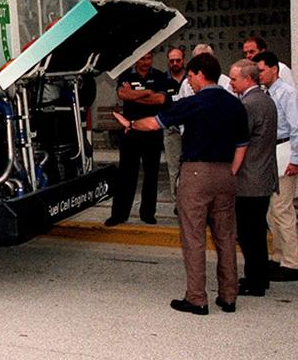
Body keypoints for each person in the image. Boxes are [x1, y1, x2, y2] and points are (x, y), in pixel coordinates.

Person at [116, 53, 249, 315]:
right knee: (225, 237)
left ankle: (197, 298)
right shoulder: (235, 104)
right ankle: (228, 296)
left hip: (196, 174)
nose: (189, 81)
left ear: (200, 73)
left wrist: (130, 124)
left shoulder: (194, 103)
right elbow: (243, 144)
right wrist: (231, 171)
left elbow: (155, 123)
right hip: (226, 173)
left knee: (194, 237)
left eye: (190, 76)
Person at [255, 51, 298, 282]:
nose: (259, 74)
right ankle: (277, 257)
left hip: (285, 151)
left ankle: (290, 263)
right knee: (270, 211)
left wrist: (296, 159)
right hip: (270, 154)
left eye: (261, 70)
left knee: (282, 209)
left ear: (274, 69)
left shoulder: (287, 93)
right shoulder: (265, 93)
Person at [106, 52, 175, 227]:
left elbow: (160, 99)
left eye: (149, 58)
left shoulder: (160, 75)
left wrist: (135, 94)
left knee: (151, 174)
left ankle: (148, 213)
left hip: (152, 131)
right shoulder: (126, 75)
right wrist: (147, 93)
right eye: (142, 58)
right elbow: (123, 95)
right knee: (126, 174)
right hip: (131, 131)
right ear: (136, 59)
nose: (145, 62)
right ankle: (119, 215)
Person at [229, 59, 278, 297]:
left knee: (249, 234)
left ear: (248, 79)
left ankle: (255, 280)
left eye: (234, 79)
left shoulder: (248, 104)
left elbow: (239, 139)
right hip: (263, 176)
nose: (231, 83)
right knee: (256, 231)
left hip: (249, 179)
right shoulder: (266, 100)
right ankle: (258, 276)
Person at [163, 46, 187, 193]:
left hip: (190, 128)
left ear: (183, 60)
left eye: (178, 60)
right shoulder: (163, 79)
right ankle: (176, 202)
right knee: (174, 168)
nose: (175, 63)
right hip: (172, 129)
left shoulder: (191, 78)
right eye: (172, 61)